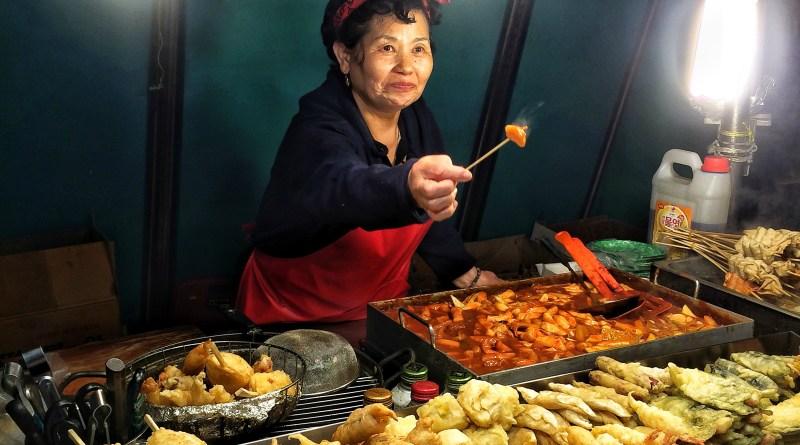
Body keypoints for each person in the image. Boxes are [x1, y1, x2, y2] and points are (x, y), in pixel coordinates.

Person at [237, 0, 503, 324]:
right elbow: (346, 185)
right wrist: (406, 185)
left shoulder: (416, 118)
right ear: (345, 56)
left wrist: (466, 274)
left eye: (418, 49)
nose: (406, 66)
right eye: (388, 48)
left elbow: (429, 215)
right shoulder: (317, 128)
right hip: (293, 317)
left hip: (382, 308)